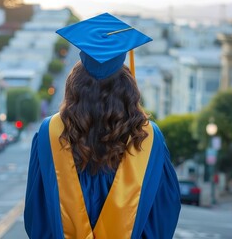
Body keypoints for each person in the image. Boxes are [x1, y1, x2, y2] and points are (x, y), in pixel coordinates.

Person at [24, 13, 181, 238]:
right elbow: (164, 215)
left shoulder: (49, 133)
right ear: (129, 89)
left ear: (74, 87)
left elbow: (35, 217)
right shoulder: (149, 138)